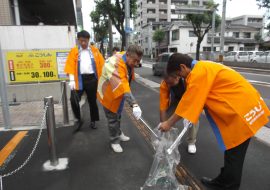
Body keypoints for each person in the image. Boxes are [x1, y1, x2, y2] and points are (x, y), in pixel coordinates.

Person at [159, 53, 270, 190]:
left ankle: (229, 186)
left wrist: (168, 123)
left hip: (241, 112)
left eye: (179, 74)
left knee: (234, 156)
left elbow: (189, 103)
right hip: (244, 107)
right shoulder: (203, 67)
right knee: (231, 152)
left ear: (183, 67)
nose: (181, 77)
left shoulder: (198, 74)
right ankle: (222, 180)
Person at [97, 45, 143, 153]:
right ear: (127, 55)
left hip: (118, 94)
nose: (136, 64)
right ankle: (114, 141)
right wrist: (134, 104)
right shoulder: (114, 64)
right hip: (108, 95)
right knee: (112, 119)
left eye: (139, 61)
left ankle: (118, 133)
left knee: (118, 116)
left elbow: (125, 83)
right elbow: (122, 86)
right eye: (135, 61)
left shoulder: (126, 57)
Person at [65, 30, 105, 131]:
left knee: (92, 101)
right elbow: (70, 64)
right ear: (78, 40)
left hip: (92, 79)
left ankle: (93, 120)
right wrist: (71, 79)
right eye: (81, 41)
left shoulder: (94, 50)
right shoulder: (74, 51)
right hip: (79, 79)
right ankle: (79, 118)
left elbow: (102, 64)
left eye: (85, 41)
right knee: (73, 100)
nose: (83, 43)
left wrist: (104, 78)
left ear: (88, 40)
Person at [160, 74, 199, 154]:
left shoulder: (189, 80)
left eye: (171, 83)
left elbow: (196, 99)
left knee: (193, 120)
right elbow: (163, 105)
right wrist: (164, 122)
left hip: (191, 100)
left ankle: (191, 142)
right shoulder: (165, 84)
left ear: (177, 77)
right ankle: (168, 138)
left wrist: (189, 114)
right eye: (168, 83)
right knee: (168, 117)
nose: (169, 85)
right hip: (177, 100)